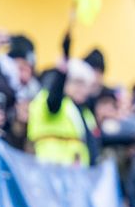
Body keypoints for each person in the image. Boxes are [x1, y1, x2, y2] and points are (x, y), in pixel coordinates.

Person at [27, 36, 98, 166]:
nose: (82, 89)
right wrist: (61, 73)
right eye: (78, 83)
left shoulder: (85, 112)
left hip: (77, 175)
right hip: (51, 170)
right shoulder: (48, 99)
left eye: (85, 85)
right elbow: (54, 102)